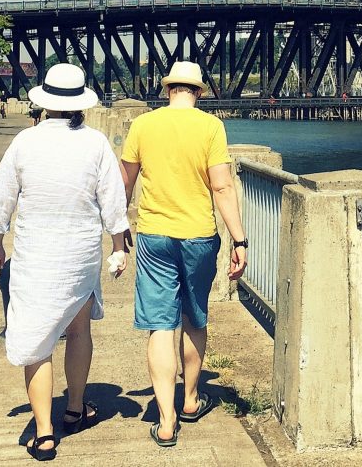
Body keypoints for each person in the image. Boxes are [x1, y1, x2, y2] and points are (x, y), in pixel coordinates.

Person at [0, 63, 130, 461]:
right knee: (79, 331)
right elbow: (113, 200)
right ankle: (74, 409)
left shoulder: (24, 142)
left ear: (44, 103)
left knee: (37, 342)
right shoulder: (96, 143)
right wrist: (118, 244)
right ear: (81, 104)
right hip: (80, 254)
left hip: (35, 255)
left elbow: (3, 197)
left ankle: (45, 433)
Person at [120, 60, 247, 448]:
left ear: (167, 89)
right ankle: (190, 399)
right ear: (200, 93)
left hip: (154, 235)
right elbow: (222, 187)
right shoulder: (210, 127)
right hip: (199, 236)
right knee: (193, 317)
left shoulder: (143, 125)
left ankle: (165, 421)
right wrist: (239, 240)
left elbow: (124, 179)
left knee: (160, 324)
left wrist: (119, 226)